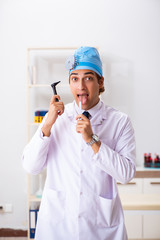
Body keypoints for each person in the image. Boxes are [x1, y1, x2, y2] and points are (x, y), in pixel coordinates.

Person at [22, 46, 136, 240]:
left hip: (101, 229)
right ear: (69, 82)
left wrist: (93, 140)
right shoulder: (56, 118)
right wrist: (47, 123)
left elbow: (126, 174)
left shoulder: (120, 121)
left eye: (88, 78)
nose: (81, 86)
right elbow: (31, 166)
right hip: (57, 226)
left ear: (100, 82)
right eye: (75, 78)